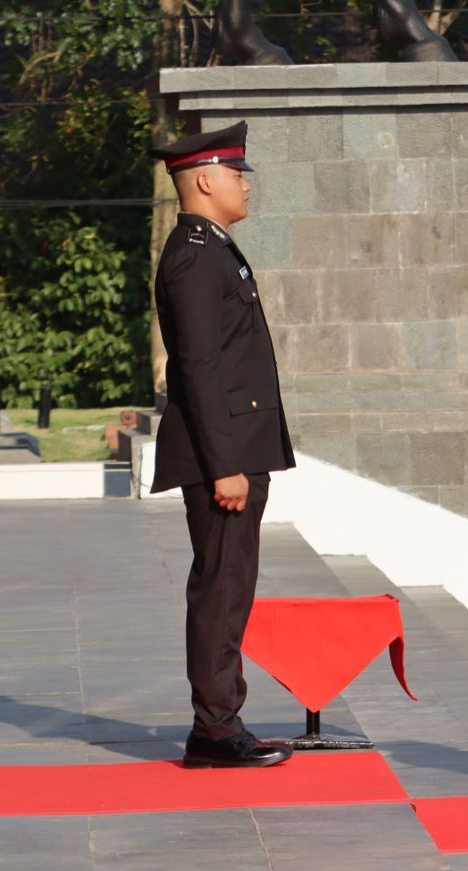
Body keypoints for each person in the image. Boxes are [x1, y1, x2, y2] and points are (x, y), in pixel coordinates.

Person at [148, 122, 296, 769]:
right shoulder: (194, 256)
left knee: (232, 585)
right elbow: (200, 368)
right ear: (204, 180)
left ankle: (221, 718)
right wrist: (225, 464)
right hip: (223, 457)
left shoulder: (211, 248)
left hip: (236, 449)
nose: (245, 183)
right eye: (237, 173)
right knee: (221, 585)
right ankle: (214, 727)